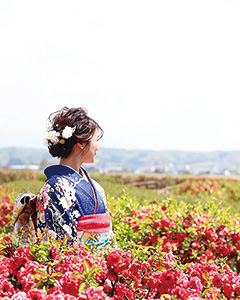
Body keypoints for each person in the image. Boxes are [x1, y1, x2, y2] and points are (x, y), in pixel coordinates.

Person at [35, 106, 113, 249]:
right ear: (81, 145)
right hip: (78, 267)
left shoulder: (94, 185)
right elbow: (61, 245)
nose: (98, 147)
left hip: (100, 265)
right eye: (96, 140)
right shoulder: (54, 188)